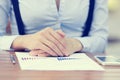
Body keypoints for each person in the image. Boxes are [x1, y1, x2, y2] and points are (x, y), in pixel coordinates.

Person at [0, 0, 108, 57]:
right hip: (25, 66)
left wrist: (76, 44)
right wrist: (24, 40)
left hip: (83, 69)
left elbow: (101, 39)